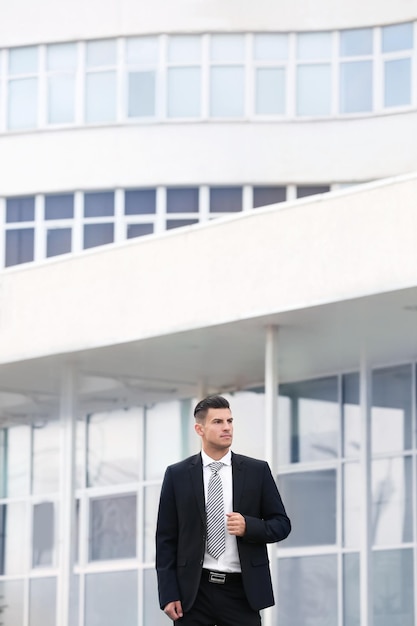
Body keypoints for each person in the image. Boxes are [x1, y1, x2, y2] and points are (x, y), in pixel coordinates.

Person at [155, 394, 291, 625]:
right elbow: (166, 539)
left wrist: (249, 526)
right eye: (218, 422)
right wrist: (168, 594)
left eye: (230, 421)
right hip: (194, 592)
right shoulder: (177, 475)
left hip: (241, 591)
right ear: (200, 429)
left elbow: (281, 524)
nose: (227, 427)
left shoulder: (256, 471)